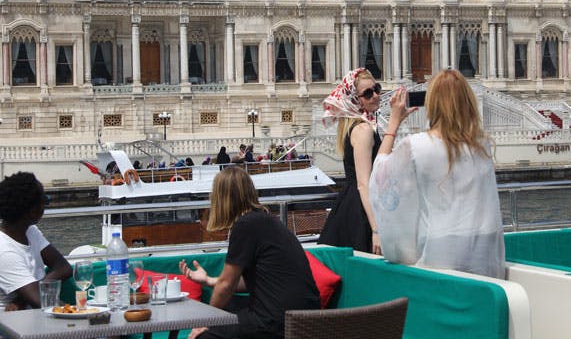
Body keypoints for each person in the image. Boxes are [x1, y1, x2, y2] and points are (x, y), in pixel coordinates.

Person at [369, 69, 506, 279]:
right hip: (483, 250)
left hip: (442, 249)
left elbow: (380, 176)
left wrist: (393, 123)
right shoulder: (482, 145)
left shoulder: (417, 146)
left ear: (431, 104)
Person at [179, 167, 319, 339]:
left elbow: (227, 285)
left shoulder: (245, 226)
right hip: (303, 318)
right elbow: (255, 281)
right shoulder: (265, 220)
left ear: (222, 199)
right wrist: (208, 280)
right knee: (229, 306)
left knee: (204, 336)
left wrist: (206, 323)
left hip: (278, 322)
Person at [317, 68, 383, 254]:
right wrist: (376, 229)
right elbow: (364, 184)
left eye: (377, 88)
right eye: (368, 93)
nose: (376, 95)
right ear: (355, 100)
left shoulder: (358, 126)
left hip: (351, 204)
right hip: (361, 210)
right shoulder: (363, 130)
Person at [0, 172, 72, 311]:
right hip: (13, 328)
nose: (46, 205)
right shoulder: (4, 251)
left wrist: (21, 299)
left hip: (32, 315)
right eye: (45, 201)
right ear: (32, 211)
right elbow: (41, 302)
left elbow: (63, 267)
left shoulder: (30, 231)